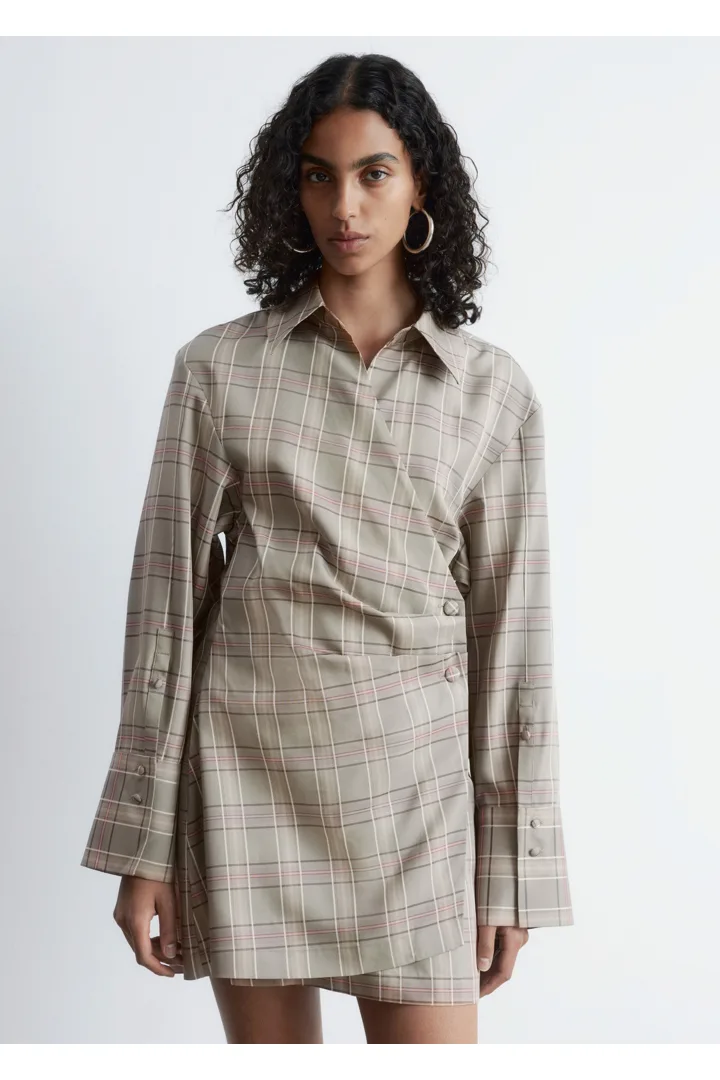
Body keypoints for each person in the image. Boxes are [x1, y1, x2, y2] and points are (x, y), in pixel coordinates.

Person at [80, 51, 574, 1044]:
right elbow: (165, 618)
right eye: (319, 175)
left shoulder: (492, 391)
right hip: (250, 786)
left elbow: (513, 645)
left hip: (421, 811)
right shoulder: (220, 369)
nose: (344, 206)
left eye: (373, 173)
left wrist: (514, 871)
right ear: (290, 189)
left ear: (421, 184)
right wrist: (144, 844)